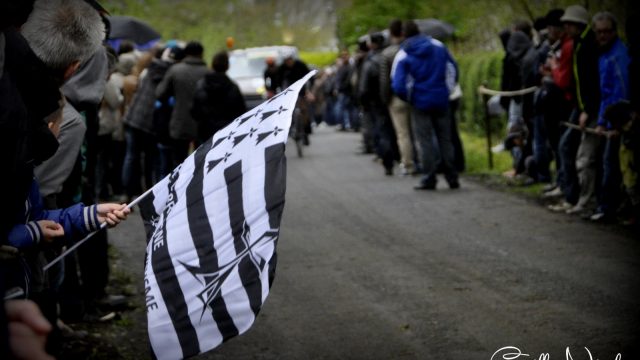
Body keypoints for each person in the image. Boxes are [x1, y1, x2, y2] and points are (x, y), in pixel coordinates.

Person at [392, 20, 459, 190]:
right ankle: (452, 177)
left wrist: (410, 97)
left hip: (419, 102)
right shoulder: (438, 46)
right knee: (445, 139)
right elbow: (452, 69)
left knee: (425, 141)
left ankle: (429, 178)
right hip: (441, 98)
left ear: (404, 34)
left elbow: (398, 84)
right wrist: (447, 91)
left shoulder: (404, 53)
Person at [589, 12, 630, 222]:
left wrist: (615, 124)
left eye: (607, 31)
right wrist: (601, 122)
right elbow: (605, 93)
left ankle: (610, 209)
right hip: (610, 118)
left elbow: (621, 93)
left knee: (613, 165)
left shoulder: (619, 56)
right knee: (608, 163)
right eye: (599, 32)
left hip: (622, 121)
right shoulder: (603, 54)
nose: (603, 35)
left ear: (614, 32)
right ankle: (608, 207)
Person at [156, 41, 208, 165]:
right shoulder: (208, 73)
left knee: (179, 163)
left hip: (179, 123)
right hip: (202, 125)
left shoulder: (175, 70)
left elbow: (160, 94)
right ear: (201, 54)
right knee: (201, 163)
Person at [359, 32, 398, 176]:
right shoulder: (392, 54)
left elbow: (364, 86)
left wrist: (363, 101)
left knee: (382, 131)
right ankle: (399, 157)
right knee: (396, 129)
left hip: (376, 101)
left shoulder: (370, 61)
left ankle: (387, 160)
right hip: (394, 97)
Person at [381, 19, 416, 176]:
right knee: (418, 130)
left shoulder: (387, 53)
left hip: (396, 97)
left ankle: (408, 164)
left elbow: (385, 80)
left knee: (403, 133)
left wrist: (385, 99)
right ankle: (426, 162)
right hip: (415, 94)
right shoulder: (413, 48)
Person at [191, 51, 246, 143]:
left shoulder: (201, 85)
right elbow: (241, 112)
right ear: (227, 66)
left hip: (206, 133)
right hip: (227, 133)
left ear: (212, 64)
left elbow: (195, 111)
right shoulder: (232, 87)